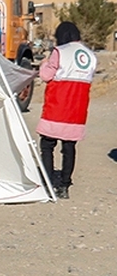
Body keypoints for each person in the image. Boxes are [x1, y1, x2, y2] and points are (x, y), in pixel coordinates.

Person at [37, 20, 95, 200]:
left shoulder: (59, 52)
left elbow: (46, 75)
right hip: (77, 108)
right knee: (69, 147)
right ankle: (64, 185)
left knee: (47, 145)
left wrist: (44, 63)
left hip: (57, 105)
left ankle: (48, 183)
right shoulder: (90, 55)